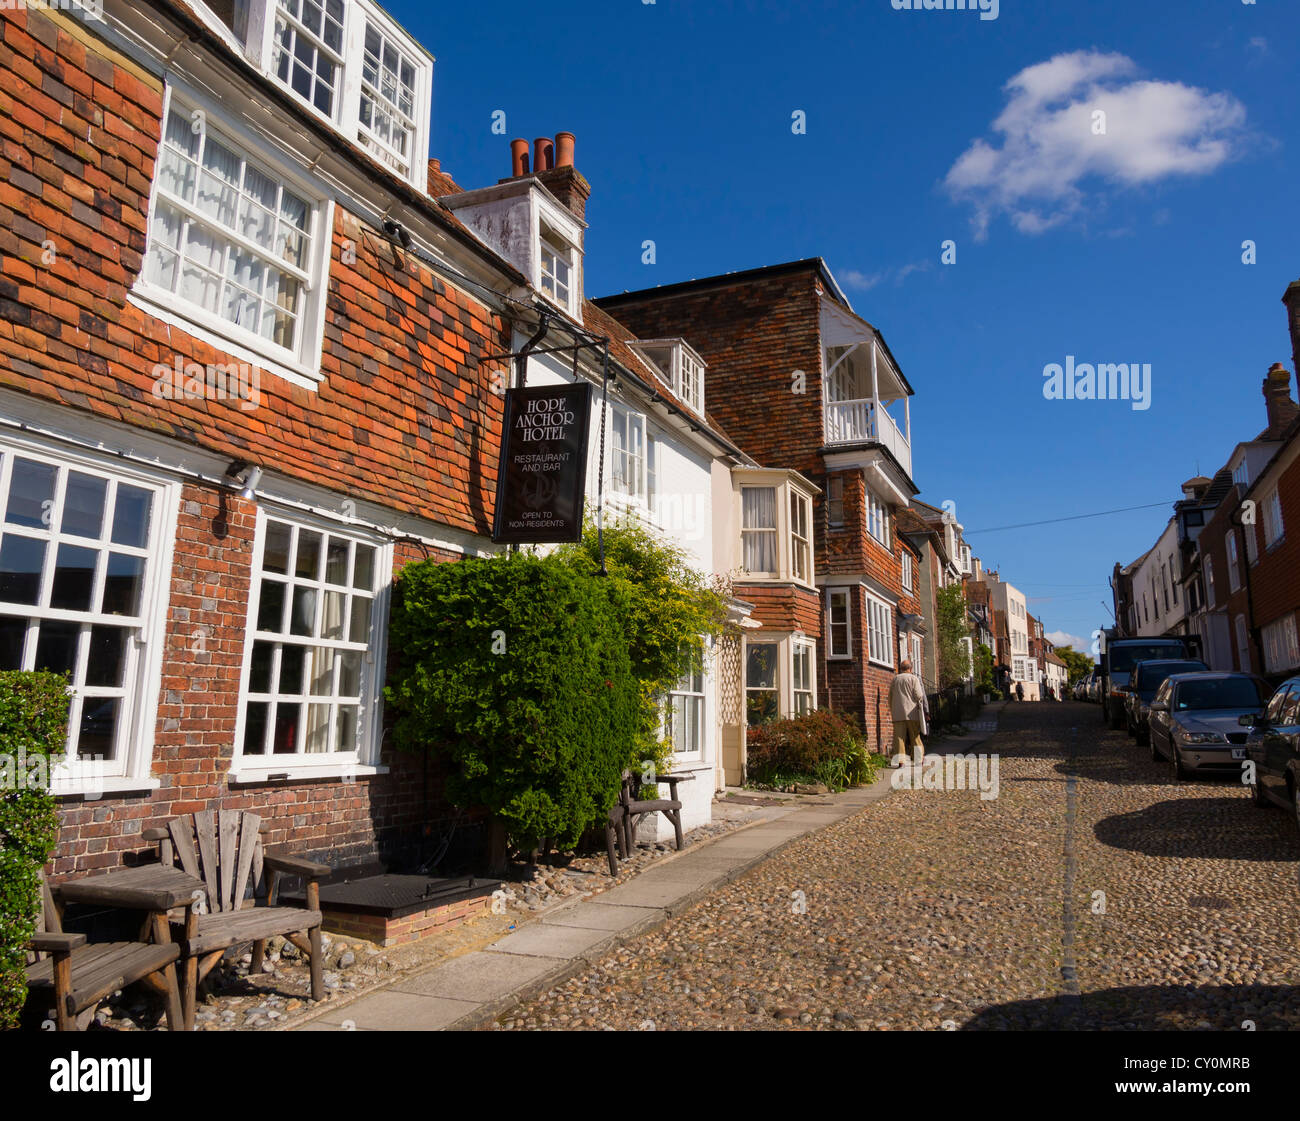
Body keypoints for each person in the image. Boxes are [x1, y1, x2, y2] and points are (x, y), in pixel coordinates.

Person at [889, 660, 929, 767]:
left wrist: (892, 709)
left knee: (899, 738)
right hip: (912, 713)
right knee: (915, 736)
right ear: (910, 669)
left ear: (901, 668)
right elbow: (919, 695)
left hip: (898, 713)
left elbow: (890, 697)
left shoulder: (895, 679)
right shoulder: (913, 678)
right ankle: (918, 760)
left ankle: (901, 762)